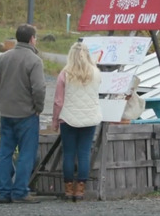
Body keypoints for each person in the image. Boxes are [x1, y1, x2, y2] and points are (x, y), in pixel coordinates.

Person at [0, 24, 46, 204]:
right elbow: (39, 88)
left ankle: (4, 192)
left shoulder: (4, 57)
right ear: (31, 39)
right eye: (35, 37)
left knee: (5, 152)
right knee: (26, 154)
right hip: (27, 115)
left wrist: (2, 100)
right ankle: (20, 190)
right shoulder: (34, 60)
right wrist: (38, 107)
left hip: (7, 113)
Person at [52, 41, 102, 202]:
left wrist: (55, 120)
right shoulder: (96, 73)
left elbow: (58, 101)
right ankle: (80, 190)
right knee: (84, 154)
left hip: (68, 118)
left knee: (68, 154)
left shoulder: (64, 74)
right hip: (90, 118)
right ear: (87, 55)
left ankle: (68, 189)